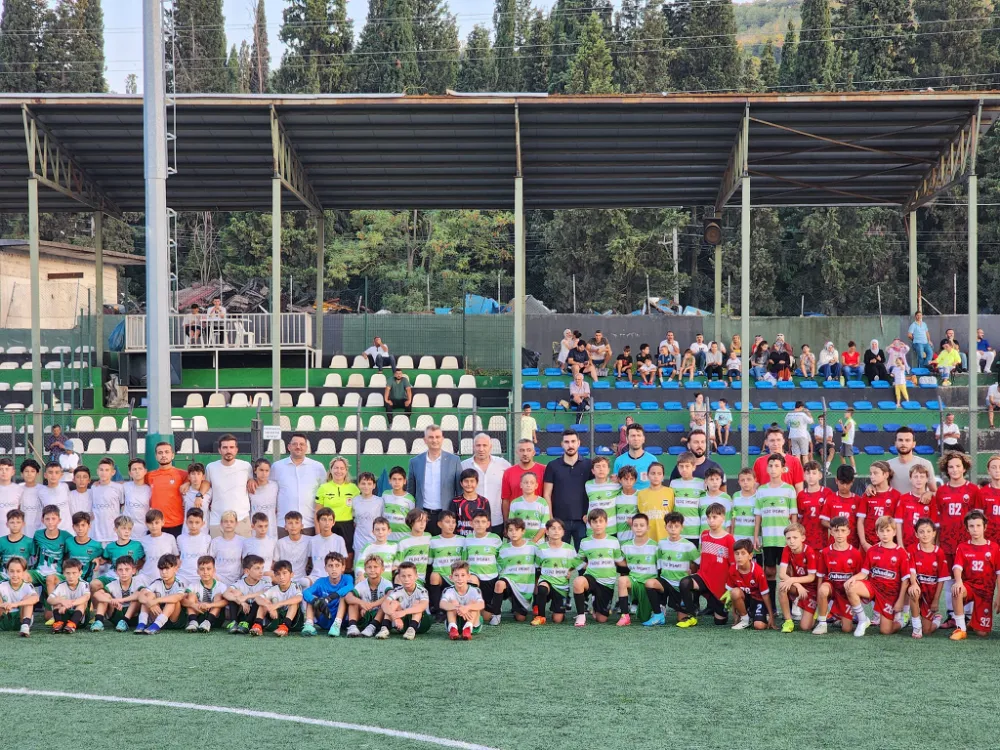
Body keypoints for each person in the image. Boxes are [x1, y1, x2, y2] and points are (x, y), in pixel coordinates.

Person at [933, 451, 978, 627]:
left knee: (968, 577)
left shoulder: (973, 490)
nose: (954, 469)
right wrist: (937, 543)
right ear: (946, 469)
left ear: (964, 468)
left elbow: (978, 519)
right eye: (950, 467)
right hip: (947, 542)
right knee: (950, 578)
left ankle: (968, 615)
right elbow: (938, 520)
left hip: (967, 543)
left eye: (958, 466)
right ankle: (952, 615)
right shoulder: (941, 491)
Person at [845, 516, 910, 637]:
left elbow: (905, 580)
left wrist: (900, 601)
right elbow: (864, 574)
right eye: (882, 531)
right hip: (874, 587)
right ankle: (863, 620)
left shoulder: (901, 552)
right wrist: (852, 579)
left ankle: (902, 622)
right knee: (851, 587)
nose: (885, 534)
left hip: (890, 593)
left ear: (894, 532)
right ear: (877, 533)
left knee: (886, 631)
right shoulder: (872, 550)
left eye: (888, 530)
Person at [677, 503, 735, 628]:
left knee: (720, 622)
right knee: (685, 583)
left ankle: (719, 606)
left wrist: (730, 587)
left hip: (720, 584)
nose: (711, 520)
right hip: (703, 578)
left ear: (723, 517)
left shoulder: (729, 539)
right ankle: (692, 615)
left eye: (714, 517)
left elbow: (733, 565)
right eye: (708, 517)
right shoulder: (704, 534)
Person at [949, 510, 1000, 640]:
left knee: (982, 633)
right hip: (969, 587)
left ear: (985, 527)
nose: (975, 529)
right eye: (971, 526)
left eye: (978, 525)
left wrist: (999, 595)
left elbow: (999, 573)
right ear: (967, 528)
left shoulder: (994, 548)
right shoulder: (962, 547)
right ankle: (961, 629)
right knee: (957, 590)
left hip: (986, 592)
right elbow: (957, 567)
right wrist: (958, 582)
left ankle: (973, 622)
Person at [406, 425, 464, 537]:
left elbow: (459, 491)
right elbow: (411, 491)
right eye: (431, 437)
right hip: (422, 516)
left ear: (442, 439)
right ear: (425, 440)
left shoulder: (454, 461)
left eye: (437, 437)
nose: (434, 440)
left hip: (446, 515)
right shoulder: (415, 462)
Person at [572, 508, 625, 627]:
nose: (598, 525)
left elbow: (619, 561)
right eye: (594, 522)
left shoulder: (614, 541)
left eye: (601, 521)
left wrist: (632, 567)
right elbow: (577, 560)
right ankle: (581, 616)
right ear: (590, 524)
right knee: (578, 581)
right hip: (591, 577)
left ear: (606, 523)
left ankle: (596, 602)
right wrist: (584, 566)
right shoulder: (585, 542)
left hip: (607, 583)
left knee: (601, 619)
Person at [643, 512, 698, 626]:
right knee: (650, 583)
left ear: (682, 527)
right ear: (665, 527)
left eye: (676, 526)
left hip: (680, 585)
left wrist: (692, 573)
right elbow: (659, 563)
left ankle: (685, 606)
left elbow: (699, 563)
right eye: (670, 526)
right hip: (665, 581)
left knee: (681, 619)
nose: (673, 529)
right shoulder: (661, 543)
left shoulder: (688, 545)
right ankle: (658, 614)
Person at [811, 517, 863, 635]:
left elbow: (860, 578)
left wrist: (854, 599)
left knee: (847, 629)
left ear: (848, 532)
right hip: (831, 589)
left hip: (845, 593)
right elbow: (820, 576)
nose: (840, 534)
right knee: (823, 589)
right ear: (831, 532)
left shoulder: (855, 553)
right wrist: (819, 594)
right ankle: (822, 623)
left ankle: (839, 616)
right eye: (836, 530)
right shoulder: (825, 552)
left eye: (843, 530)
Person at [542, 430, 593, 549]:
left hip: (583, 520)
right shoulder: (552, 466)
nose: (570, 445)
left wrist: (590, 515)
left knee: (582, 556)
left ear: (579, 443)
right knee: (559, 556)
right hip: (559, 521)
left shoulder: (589, 465)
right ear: (562, 444)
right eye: (567, 442)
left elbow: (596, 490)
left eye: (573, 441)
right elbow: (547, 494)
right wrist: (551, 518)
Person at [269, 433, 326, 539]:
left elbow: (324, 493)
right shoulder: (277, 467)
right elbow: (269, 489)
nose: (298, 447)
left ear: (306, 447)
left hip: (309, 524)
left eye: (301, 444)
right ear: (289, 447)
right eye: (295, 444)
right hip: (283, 525)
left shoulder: (318, 467)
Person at [202, 435, 253, 538]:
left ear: (236, 450)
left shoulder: (246, 466)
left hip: (241, 520)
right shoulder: (211, 467)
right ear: (219, 450)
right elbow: (205, 484)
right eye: (225, 447)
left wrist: (252, 480)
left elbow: (252, 482)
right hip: (217, 520)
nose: (228, 451)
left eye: (231, 447)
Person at [906, 517, 947, 640]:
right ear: (916, 534)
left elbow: (941, 579)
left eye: (928, 531)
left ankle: (937, 619)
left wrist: (936, 600)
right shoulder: (912, 549)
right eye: (921, 532)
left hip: (930, 594)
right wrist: (914, 584)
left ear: (934, 533)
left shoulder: (939, 552)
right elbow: (911, 571)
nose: (925, 534)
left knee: (927, 631)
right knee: (913, 590)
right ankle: (916, 626)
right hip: (918, 589)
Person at [462, 433, 510, 535]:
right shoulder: (463, 465)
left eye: (485, 445)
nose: (481, 449)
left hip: (496, 520)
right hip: (472, 521)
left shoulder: (503, 464)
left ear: (490, 447)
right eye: (478, 445)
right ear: (473, 447)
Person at [492, 518, 538, 623]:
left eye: (517, 530)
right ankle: (496, 615)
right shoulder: (503, 549)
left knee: (520, 618)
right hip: (509, 581)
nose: (514, 533)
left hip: (524, 588)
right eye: (510, 530)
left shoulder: (533, 547)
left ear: (523, 531)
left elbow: (541, 562)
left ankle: (515, 602)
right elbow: (498, 567)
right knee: (499, 584)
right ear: (506, 532)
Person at [616, 514, 658, 626]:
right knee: (622, 580)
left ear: (648, 527)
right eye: (635, 525)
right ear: (632, 527)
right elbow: (620, 563)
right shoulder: (625, 546)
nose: (638, 528)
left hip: (649, 585)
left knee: (644, 618)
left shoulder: (655, 546)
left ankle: (655, 608)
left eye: (642, 525)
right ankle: (625, 615)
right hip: (634, 581)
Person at [462, 510, 502, 624]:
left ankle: (487, 610)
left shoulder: (495, 539)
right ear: (471, 523)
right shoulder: (468, 539)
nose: (480, 524)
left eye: (483, 522)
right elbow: (464, 560)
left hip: (490, 578)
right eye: (477, 521)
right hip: (474, 576)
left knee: (486, 617)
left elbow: (500, 559)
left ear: (488, 524)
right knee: (472, 580)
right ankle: (471, 612)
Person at [777, 523, 818, 633]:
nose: (791, 541)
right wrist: (797, 584)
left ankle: (814, 612)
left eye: (795, 537)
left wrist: (792, 580)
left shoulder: (809, 551)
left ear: (802, 538)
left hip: (810, 589)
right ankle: (788, 621)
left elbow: (811, 577)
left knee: (805, 627)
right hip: (798, 585)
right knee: (782, 586)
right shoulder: (786, 549)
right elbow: (782, 574)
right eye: (788, 538)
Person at [301, 551, 353, 637]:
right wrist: (316, 601)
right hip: (324, 617)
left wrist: (329, 598)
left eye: (337, 565)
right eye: (330, 566)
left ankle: (336, 625)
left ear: (343, 567)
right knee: (311, 597)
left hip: (341, 621)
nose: (334, 569)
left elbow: (350, 587)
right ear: (325, 568)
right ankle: (309, 625)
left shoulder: (347, 578)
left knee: (345, 595)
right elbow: (306, 592)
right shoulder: (320, 582)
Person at [727, 539, 775, 631]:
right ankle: (745, 619)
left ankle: (762, 617)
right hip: (744, 600)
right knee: (735, 592)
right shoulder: (732, 569)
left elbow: (765, 595)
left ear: (750, 556)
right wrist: (734, 614)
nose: (739, 557)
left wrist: (771, 615)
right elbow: (731, 594)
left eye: (743, 553)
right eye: (737, 553)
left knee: (759, 626)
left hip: (758, 600)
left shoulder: (758, 571)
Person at [315, 457, 360, 552]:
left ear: (346, 471)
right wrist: (318, 533)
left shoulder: (353, 488)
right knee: (328, 555)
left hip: (347, 526)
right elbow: (317, 512)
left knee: (347, 556)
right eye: (336, 468)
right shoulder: (323, 488)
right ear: (331, 470)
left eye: (342, 468)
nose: (339, 471)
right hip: (328, 526)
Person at [135, 553, 186, 635]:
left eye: (167, 568)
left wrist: (156, 601)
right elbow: (141, 596)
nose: (164, 572)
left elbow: (178, 597)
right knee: (148, 595)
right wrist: (150, 604)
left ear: (175, 569)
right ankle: (141, 624)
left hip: (174, 621)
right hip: (158, 616)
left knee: (172, 601)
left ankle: (156, 626)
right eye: (161, 569)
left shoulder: (179, 583)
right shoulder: (157, 582)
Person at [379, 561, 431, 640]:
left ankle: (412, 629)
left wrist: (403, 612)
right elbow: (384, 604)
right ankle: (384, 628)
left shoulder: (422, 590)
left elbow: (422, 606)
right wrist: (395, 617)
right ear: (399, 577)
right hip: (402, 624)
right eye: (403, 576)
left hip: (421, 625)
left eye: (409, 576)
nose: (406, 579)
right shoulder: (397, 590)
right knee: (393, 603)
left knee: (417, 604)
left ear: (416, 576)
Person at [90, 555, 141, 633]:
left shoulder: (138, 583)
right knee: (105, 596)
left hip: (133, 617)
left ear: (133, 571)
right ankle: (99, 621)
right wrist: (111, 601)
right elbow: (96, 594)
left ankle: (125, 621)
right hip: (116, 615)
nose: (123, 573)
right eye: (120, 570)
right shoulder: (113, 584)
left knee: (137, 598)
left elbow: (141, 595)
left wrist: (121, 600)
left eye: (127, 569)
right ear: (116, 572)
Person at [145, 443, 187, 537]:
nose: (163, 455)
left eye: (167, 452)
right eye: (160, 453)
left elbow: (203, 482)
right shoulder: (149, 476)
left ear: (172, 455)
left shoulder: (183, 474)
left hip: (177, 524)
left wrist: (188, 483)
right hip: (156, 524)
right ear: (156, 456)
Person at [857, 461, 900, 554]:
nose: (872, 476)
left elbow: (898, 524)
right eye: (871, 473)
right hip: (868, 544)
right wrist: (864, 543)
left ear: (886, 475)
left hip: (888, 544)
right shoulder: (867, 495)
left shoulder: (896, 496)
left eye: (875, 473)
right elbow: (860, 521)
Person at [344, 554, 391, 638]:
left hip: (380, 619)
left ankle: (372, 626)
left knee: (386, 603)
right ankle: (352, 626)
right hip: (364, 617)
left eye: (375, 567)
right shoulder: (361, 584)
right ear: (365, 570)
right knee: (353, 601)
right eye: (369, 567)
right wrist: (362, 603)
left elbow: (390, 595)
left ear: (382, 569)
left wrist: (372, 605)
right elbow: (348, 597)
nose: (372, 570)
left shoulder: (386, 583)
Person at [427, 510, 464, 618]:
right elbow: (430, 561)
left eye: (453, 522)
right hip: (442, 577)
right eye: (447, 522)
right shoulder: (433, 541)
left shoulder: (462, 540)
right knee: (434, 576)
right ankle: (438, 610)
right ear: (439, 524)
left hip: (457, 578)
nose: (451, 525)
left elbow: (464, 562)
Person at [221, 554, 270, 635]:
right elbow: (226, 593)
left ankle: (247, 623)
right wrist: (241, 602)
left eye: (262, 568)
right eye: (257, 568)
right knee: (234, 594)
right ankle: (234, 622)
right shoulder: (240, 583)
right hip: (243, 613)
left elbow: (268, 591)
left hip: (256, 616)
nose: (261, 571)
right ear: (247, 571)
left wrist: (246, 597)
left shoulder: (265, 583)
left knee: (259, 598)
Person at [253, 559, 303, 636]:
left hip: (293, 621)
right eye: (278, 574)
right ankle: (258, 626)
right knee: (264, 601)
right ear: (275, 576)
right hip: (277, 618)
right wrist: (269, 606)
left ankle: (285, 627)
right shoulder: (273, 589)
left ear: (291, 574)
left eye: (284, 573)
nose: (281, 577)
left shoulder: (296, 586)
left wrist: (277, 605)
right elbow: (258, 598)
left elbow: (299, 598)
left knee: (294, 603)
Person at [501, 440, 545, 521]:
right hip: (516, 521)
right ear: (517, 452)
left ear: (534, 452)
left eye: (528, 450)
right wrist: (507, 522)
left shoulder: (544, 470)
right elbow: (506, 500)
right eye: (522, 450)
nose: (525, 453)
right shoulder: (508, 472)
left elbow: (548, 496)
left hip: (538, 520)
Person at [440, 560, 484, 640]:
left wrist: (467, 607)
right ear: (451, 577)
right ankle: (453, 628)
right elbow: (442, 604)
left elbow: (481, 604)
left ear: (468, 576)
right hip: (455, 620)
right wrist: (458, 607)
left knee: (473, 602)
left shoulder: (474, 590)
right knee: (452, 602)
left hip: (473, 623)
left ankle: (467, 628)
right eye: (456, 575)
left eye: (463, 575)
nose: (459, 578)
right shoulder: (449, 590)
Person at [886, 426, 937, 495]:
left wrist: (929, 494)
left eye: (907, 440)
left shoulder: (925, 464)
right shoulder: (887, 465)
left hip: (918, 502)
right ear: (895, 443)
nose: (903, 443)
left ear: (914, 444)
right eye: (900, 440)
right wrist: (872, 487)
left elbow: (934, 491)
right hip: (895, 502)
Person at [752, 427, 804, 492]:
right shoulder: (759, 462)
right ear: (766, 442)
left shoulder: (794, 461)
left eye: (778, 440)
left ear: (783, 441)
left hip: (787, 498)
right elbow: (754, 487)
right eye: (772, 440)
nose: (775, 444)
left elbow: (799, 488)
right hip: (766, 498)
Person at [138, 509, 180, 588]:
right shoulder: (143, 540)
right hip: (147, 577)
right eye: (151, 523)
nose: (154, 526)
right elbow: (141, 560)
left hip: (165, 577)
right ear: (146, 524)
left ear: (162, 522)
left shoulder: (170, 538)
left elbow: (176, 557)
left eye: (157, 523)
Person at [797, 462, 833, 552]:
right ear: (804, 476)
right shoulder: (801, 495)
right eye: (808, 473)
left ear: (820, 475)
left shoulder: (827, 493)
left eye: (814, 473)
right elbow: (799, 519)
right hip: (805, 540)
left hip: (822, 540)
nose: (811, 476)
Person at [48, 557, 90, 634]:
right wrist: (61, 601)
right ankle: (58, 624)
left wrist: (68, 604)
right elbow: (49, 599)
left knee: (82, 603)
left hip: (80, 620)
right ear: (64, 573)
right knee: (57, 601)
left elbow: (86, 597)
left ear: (80, 573)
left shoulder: (84, 584)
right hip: (64, 616)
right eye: (68, 573)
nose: (71, 576)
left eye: (74, 573)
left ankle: (72, 625)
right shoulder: (61, 585)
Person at [669, 453, 704, 545]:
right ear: (678, 467)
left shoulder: (701, 484)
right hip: (678, 530)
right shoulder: (674, 483)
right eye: (681, 466)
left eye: (687, 466)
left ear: (694, 467)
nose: (684, 469)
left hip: (694, 531)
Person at [507, 473, 550, 544]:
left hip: (538, 543)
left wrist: (534, 541)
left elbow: (544, 525)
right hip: (519, 542)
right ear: (521, 485)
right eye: (526, 482)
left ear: (536, 485)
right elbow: (511, 524)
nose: (528, 485)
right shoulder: (515, 503)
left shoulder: (543, 503)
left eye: (532, 483)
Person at [353, 517, 397, 584]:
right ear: (373, 532)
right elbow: (360, 564)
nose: (380, 532)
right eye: (377, 529)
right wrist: (360, 575)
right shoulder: (368, 547)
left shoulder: (394, 547)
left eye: (383, 529)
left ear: (389, 531)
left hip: (388, 583)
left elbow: (401, 563)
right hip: (370, 582)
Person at [613, 423, 657, 490]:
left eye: (639, 435)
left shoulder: (652, 460)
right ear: (627, 439)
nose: (636, 439)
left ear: (643, 439)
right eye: (633, 436)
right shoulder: (619, 461)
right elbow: (616, 485)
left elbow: (656, 485)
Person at [450, 469, 492, 538]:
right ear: (461, 483)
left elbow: (488, 524)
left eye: (472, 481)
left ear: (477, 483)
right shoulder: (455, 501)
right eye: (466, 481)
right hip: (460, 538)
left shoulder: (484, 501)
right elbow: (451, 522)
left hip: (478, 539)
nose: (469, 484)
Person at [275, 512, 313, 589]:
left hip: (302, 580)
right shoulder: (280, 543)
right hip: (284, 580)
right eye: (290, 523)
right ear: (285, 527)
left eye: (297, 523)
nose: (293, 526)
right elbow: (275, 563)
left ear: (302, 526)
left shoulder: (309, 541)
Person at [349, 472, 384, 554]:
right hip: (359, 543)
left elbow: (383, 521)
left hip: (375, 542)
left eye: (369, 484)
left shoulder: (380, 501)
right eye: (363, 483)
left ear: (374, 485)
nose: (366, 486)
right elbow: (353, 521)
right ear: (358, 485)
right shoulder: (354, 500)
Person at [175, 508, 211, 588]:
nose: (193, 526)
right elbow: (178, 556)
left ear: (203, 523)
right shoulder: (180, 538)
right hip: (182, 576)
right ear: (186, 522)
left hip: (200, 577)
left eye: (197, 522)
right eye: (190, 522)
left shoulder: (207, 539)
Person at [207, 510, 243, 587]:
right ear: (221, 523)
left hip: (237, 580)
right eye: (225, 521)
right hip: (218, 579)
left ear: (236, 523)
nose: (228, 524)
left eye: (231, 521)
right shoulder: (215, 541)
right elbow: (209, 561)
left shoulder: (242, 541)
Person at [123, 459, 151, 540]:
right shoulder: (125, 487)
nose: (137, 471)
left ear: (145, 471)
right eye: (134, 469)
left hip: (144, 532)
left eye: (140, 469)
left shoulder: (150, 489)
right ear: (130, 473)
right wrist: (99, 481)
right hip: (127, 531)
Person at [17, 459, 42, 537]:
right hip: (23, 532)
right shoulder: (18, 489)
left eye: (32, 471)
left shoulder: (43, 490)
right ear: (22, 474)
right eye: (26, 471)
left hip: (39, 532)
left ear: (37, 473)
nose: (29, 474)